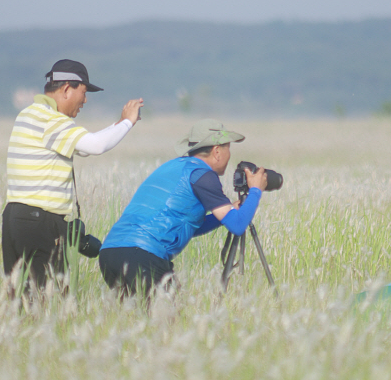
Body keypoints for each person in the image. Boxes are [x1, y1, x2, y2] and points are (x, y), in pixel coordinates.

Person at [2, 59, 143, 291]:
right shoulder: (51, 120)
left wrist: (119, 123)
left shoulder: (29, 114)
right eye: (84, 92)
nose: (85, 101)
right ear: (67, 88)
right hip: (40, 221)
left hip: (14, 219)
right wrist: (128, 122)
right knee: (52, 298)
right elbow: (95, 146)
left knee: (21, 297)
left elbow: (83, 146)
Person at [99, 118, 268, 298]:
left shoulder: (173, 166)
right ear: (217, 151)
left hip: (110, 253)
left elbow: (186, 227)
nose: (229, 155)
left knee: (134, 314)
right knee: (166, 314)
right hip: (143, 254)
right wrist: (256, 190)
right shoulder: (203, 175)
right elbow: (238, 225)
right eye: (228, 148)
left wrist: (226, 214)